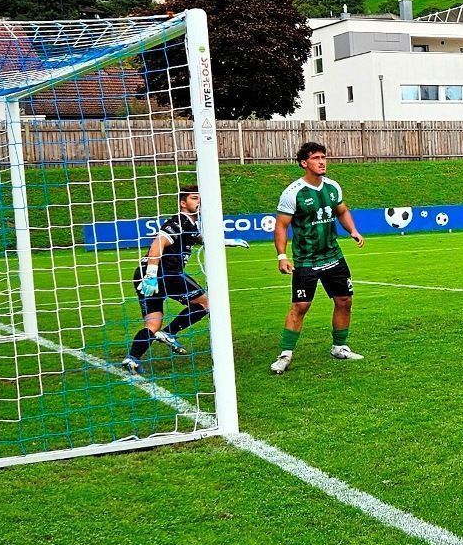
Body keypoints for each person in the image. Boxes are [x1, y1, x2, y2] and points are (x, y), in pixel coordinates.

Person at [122, 185, 249, 375]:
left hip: (146, 274)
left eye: (200, 199)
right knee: (207, 303)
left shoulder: (190, 225)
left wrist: (229, 242)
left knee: (152, 323)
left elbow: (202, 239)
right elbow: (158, 243)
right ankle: (170, 332)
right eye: (194, 198)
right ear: (183, 203)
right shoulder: (179, 221)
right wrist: (151, 274)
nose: (199, 202)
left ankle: (131, 359)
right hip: (163, 273)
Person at [270, 142, 365, 375]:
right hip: (306, 260)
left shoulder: (332, 187)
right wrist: (282, 256)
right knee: (300, 306)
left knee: (345, 301)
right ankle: (285, 354)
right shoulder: (293, 193)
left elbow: (341, 210)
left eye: (324, 157)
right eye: (316, 158)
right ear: (304, 163)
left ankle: (339, 347)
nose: (322, 161)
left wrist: (352, 230)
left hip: (333, 255)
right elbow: (281, 226)